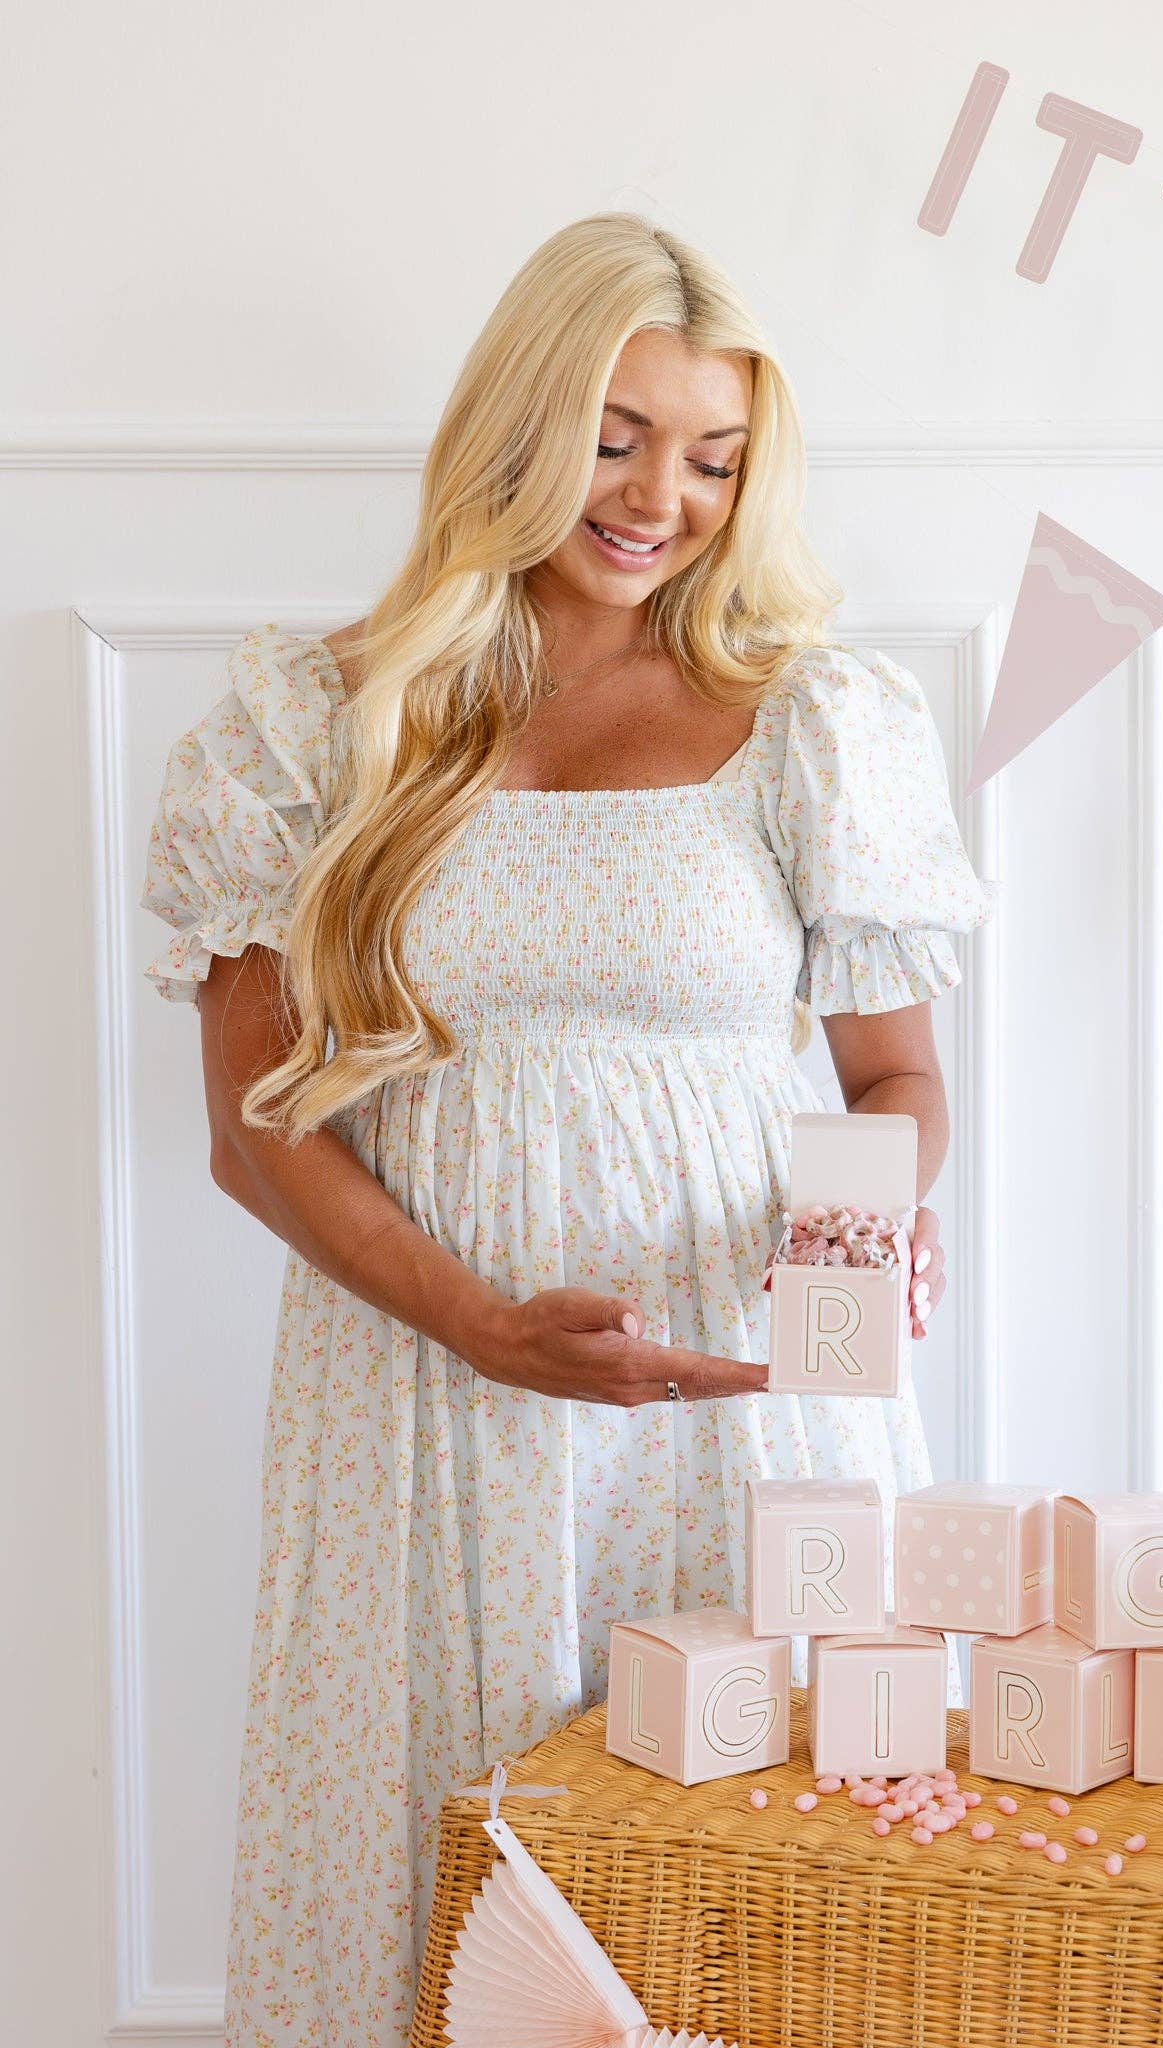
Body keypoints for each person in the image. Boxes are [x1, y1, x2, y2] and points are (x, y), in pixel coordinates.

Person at [139, 211, 991, 2047]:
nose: (660, 498)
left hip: (743, 1396)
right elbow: (252, 1122)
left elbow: (897, 1087)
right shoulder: (317, 723)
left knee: (756, 1870)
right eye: (616, 434)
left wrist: (854, 1242)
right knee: (442, 1849)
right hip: (426, 1394)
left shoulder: (812, 722)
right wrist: (479, 1325)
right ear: (517, 419)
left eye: (714, 456)